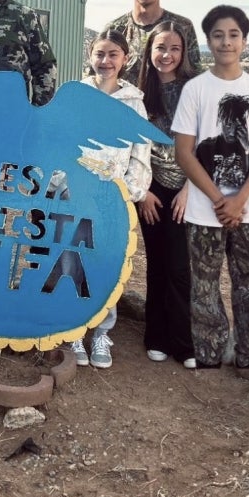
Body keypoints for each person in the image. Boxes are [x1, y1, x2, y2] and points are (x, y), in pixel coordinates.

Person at [172, 6, 249, 375]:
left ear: (244, 41)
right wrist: (219, 199)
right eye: (218, 34)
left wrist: (240, 198)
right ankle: (210, 348)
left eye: (233, 34)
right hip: (204, 210)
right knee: (205, 282)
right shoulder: (195, 89)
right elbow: (184, 151)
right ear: (208, 41)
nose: (226, 41)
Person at [72, 30, 151, 369]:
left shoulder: (134, 102)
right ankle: (73, 328)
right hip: (76, 196)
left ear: (125, 59)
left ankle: (102, 331)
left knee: (108, 263)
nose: (105, 61)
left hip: (113, 201)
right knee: (72, 261)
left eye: (113, 55)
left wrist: (129, 192)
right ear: (90, 55)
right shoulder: (75, 95)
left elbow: (141, 154)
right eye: (100, 54)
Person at [137, 22, 197, 368]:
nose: (167, 55)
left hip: (187, 186)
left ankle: (183, 341)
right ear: (150, 52)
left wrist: (190, 189)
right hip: (150, 187)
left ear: (183, 52)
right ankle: (156, 335)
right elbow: (132, 144)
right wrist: (143, 191)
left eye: (174, 48)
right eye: (160, 48)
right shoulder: (140, 92)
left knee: (179, 265)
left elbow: (205, 142)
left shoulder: (194, 89)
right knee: (157, 261)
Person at [105, 0, 201, 84]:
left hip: (171, 104)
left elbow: (195, 77)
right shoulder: (115, 29)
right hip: (125, 103)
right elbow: (102, 77)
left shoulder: (183, 26)